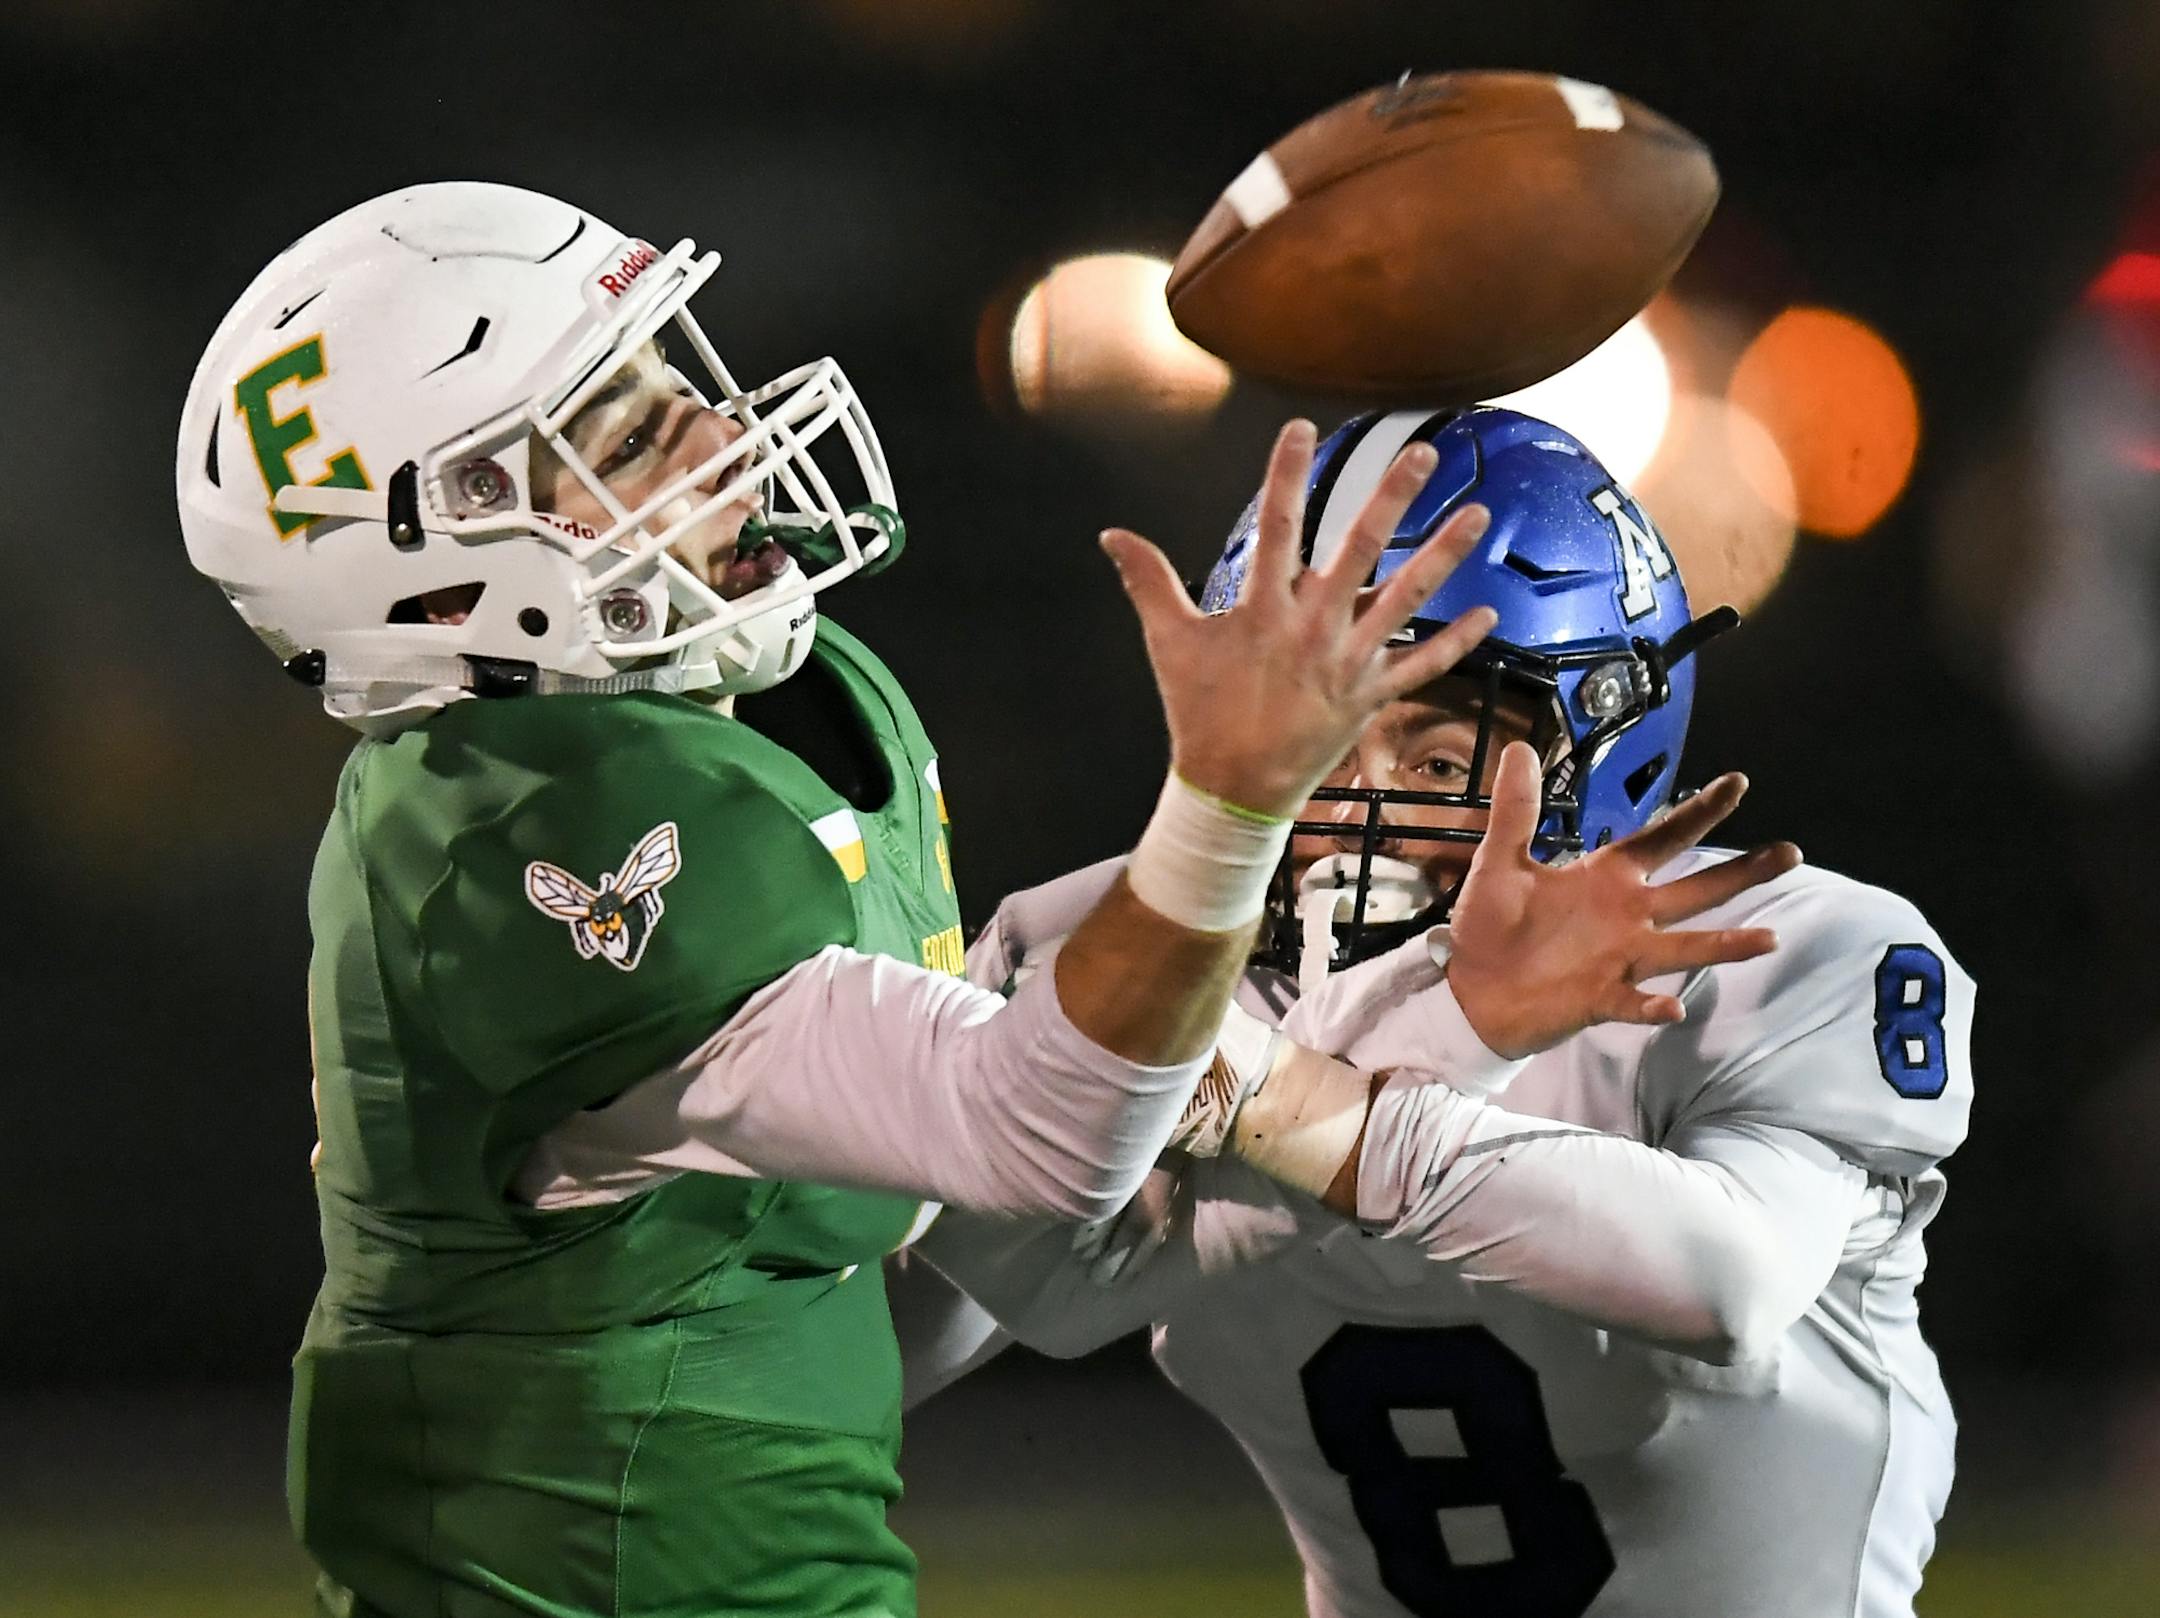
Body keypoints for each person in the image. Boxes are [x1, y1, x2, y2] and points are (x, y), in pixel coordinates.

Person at [174, 181, 1512, 1617]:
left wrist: (1331, 914)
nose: (716, 430)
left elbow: (834, 1257)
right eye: (622, 434)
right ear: (447, 590)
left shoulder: (738, 717)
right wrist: (1234, 803)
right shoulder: (531, 832)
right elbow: (1041, 1126)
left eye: (665, 379)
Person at [905, 406, 1974, 1618]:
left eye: (1428, 758)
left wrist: (1301, 1100)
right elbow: (915, 1341)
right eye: (1314, 739)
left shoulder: (1771, 951)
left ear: (1604, 736)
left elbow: (1728, 1284)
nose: (1352, 808)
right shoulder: (1133, 949)